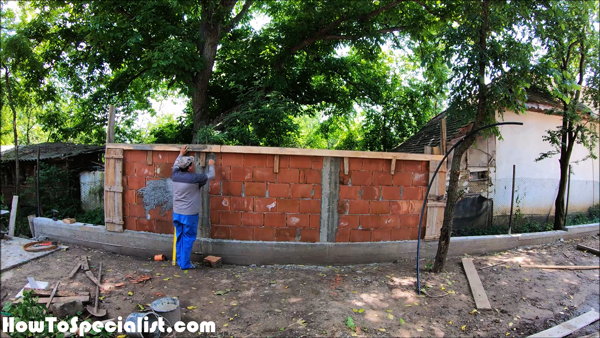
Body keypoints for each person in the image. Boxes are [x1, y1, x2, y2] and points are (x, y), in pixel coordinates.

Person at [172, 145, 214, 269]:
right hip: (189, 215)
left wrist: (181, 154)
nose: (194, 166)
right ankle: (185, 264)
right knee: (188, 238)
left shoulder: (175, 174)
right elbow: (211, 176)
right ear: (189, 167)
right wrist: (211, 164)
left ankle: (181, 261)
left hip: (177, 212)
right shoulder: (194, 178)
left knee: (179, 237)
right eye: (192, 164)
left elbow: (175, 164)